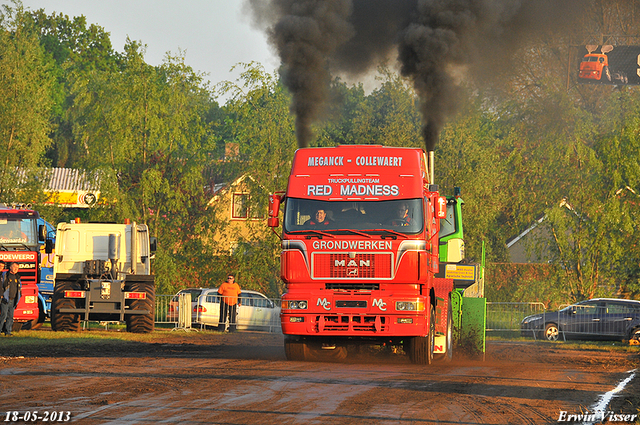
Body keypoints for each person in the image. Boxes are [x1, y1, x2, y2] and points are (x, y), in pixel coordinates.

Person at [0, 262, 21, 336]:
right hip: (5, 299)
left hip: (13, 300)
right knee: (3, 315)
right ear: (10, 267)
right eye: (14, 267)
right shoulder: (5, 275)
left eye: (17, 268)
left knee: (10, 317)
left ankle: (8, 332)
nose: (16, 269)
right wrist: (2, 296)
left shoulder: (17, 277)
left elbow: (19, 288)